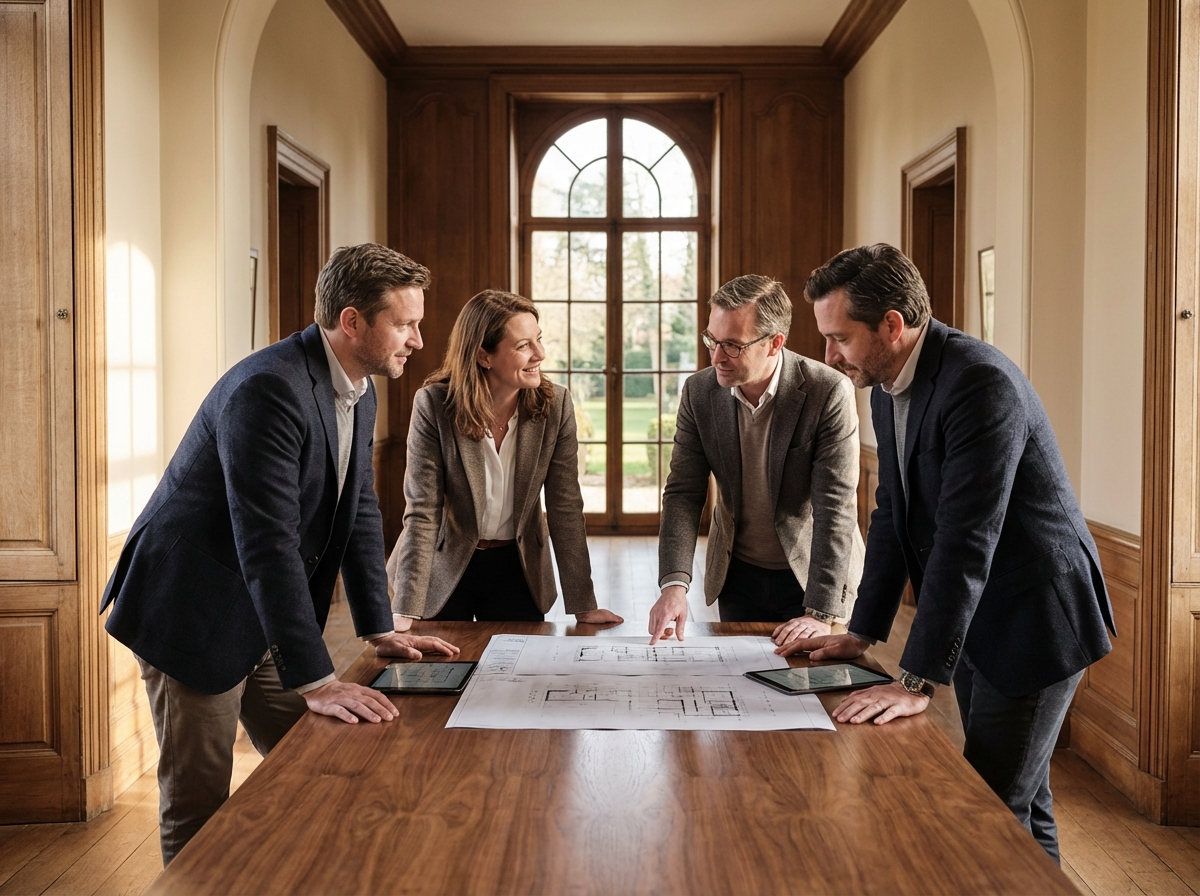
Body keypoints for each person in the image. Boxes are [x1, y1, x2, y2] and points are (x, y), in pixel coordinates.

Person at [101, 243, 460, 864]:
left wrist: (381, 626)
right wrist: (318, 679)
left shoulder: (359, 386)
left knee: (328, 759)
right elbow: (265, 541)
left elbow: (361, 511)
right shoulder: (269, 389)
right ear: (352, 322)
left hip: (263, 615)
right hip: (193, 612)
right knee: (200, 805)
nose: (418, 341)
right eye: (404, 324)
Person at [788, 243, 1115, 863]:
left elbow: (967, 538)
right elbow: (893, 513)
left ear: (892, 324)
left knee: (989, 809)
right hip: (978, 620)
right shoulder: (885, 382)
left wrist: (915, 679)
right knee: (1019, 802)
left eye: (840, 338)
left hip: (1035, 619)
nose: (830, 355)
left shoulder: (979, 381)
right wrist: (860, 633)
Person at [648, 275, 865, 645]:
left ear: (774, 343)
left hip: (813, 576)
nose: (716, 357)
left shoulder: (827, 391)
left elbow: (836, 508)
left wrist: (820, 613)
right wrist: (674, 584)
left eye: (731, 345)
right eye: (712, 340)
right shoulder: (699, 392)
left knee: (812, 694)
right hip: (737, 574)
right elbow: (683, 493)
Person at [387, 290, 623, 625]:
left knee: (518, 673)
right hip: (443, 566)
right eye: (523, 345)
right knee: (436, 673)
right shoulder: (434, 406)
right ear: (484, 356)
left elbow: (565, 506)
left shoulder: (555, 406)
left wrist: (583, 603)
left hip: (519, 567)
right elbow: (422, 512)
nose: (540, 354)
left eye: (538, 340)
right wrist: (405, 609)